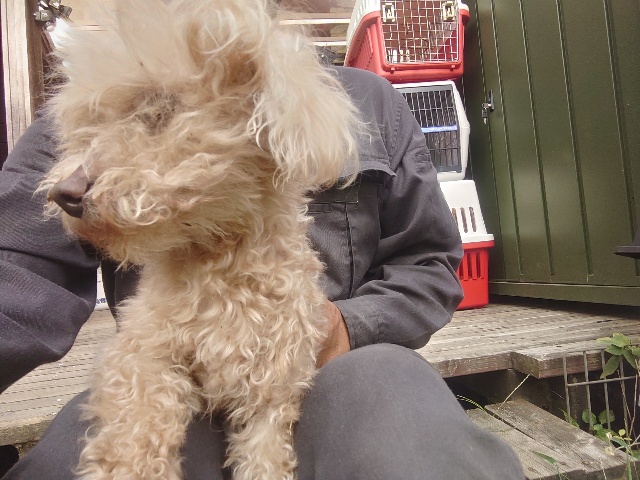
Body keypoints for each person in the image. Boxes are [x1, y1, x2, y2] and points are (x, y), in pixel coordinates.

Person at [0, 66, 524, 479]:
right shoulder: (99, 90)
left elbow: (428, 265)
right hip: (167, 372)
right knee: (85, 448)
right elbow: (15, 267)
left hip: (342, 365)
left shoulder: (371, 101)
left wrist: (344, 327)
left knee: (392, 399)